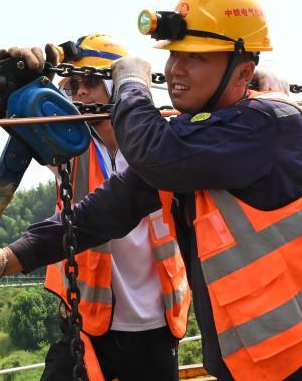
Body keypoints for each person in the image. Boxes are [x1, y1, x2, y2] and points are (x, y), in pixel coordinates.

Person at [0, 0, 302, 380]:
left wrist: (129, 79)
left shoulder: (268, 123)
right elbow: (105, 210)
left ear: (244, 71)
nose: (174, 72)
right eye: (173, 57)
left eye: (196, 59)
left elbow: (153, 152)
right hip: (271, 365)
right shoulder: (191, 144)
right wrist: (10, 257)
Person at [36, 34, 191, 381]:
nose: (81, 93)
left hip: (157, 319)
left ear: (115, 83)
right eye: (72, 84)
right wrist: (30, 74)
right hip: (89, 320)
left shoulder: (162, 141)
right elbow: (22, 118)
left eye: (90, 81)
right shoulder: (69, 148)